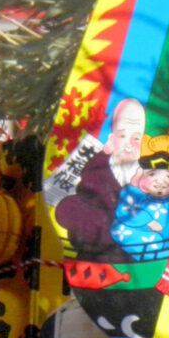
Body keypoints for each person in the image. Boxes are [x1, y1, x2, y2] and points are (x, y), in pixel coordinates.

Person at [54, 97, 146, 262]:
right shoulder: (94, 171)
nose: (129, 144)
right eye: (123, 135)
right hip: (94, 259)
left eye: (136, 138)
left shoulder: (149, 177)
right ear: (111, 139)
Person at [110, 152, 169, 260]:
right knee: (144, 238)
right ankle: (160, 258)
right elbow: (125, 210)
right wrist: (147, 221)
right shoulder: (133, 193)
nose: (160, 182)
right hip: (138, 231)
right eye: (152, 175)